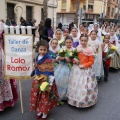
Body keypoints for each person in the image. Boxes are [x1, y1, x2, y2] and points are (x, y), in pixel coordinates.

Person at [30, 40, 59, 120]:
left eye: (44, 50)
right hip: (38, 79)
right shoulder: (36, 58)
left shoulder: (48, 59)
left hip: (46, 80)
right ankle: (39, 110)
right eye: (41, 49)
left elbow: (50, 72)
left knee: (45, 97)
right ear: (37, 49)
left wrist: (49, 84)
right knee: (37, 96)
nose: (42, 51)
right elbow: (36, 66)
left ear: (47, 50)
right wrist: (34, 65)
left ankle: (45, 112)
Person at [67, 34, 98, 108]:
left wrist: (84, 65)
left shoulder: (90, 49)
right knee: (76, 84)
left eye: (85, 41)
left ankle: (83, 101)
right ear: (80, 40)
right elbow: (74, 56)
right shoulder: (78, 47)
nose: (83, 42)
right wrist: (74, 59)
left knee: (84, 85)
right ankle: (74, 100)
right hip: (76, 69)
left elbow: (91, 61)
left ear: (87, 41)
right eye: (82, 40)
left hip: (85, 70)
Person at [0, 21, 18, 111]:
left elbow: (9, 41)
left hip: (0, 55)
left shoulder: (2, 26)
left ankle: (5, 100)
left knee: (2, 76)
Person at [54, 36, 74, 100]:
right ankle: (60, 95)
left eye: (70, 42)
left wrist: (71, 60)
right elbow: (58, 58)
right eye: (67, 42)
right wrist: (65, 58)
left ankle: (69, 96)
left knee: (70, 82)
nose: (68, 44)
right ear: (65, 43)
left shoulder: (74, 50)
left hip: (70, 67)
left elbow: (76, 59)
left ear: (72, 42)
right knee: (61, 81)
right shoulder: (62, 49)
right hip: (62, 66)